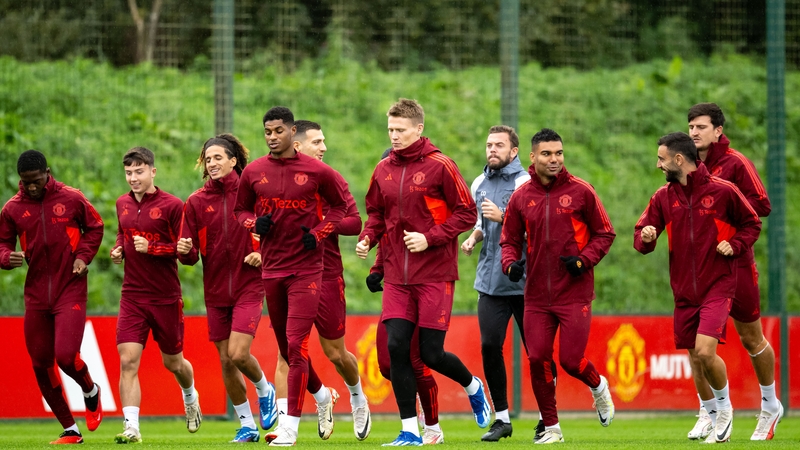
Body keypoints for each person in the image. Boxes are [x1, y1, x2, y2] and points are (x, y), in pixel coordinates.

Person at [356, 98, 490, 446]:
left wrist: (429, 239)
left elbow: (465, 213)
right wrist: (368, 239)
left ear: (419, 129)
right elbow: (376, 214)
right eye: (391, 130)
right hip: (398, 280)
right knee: (398, 347)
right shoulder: (382, 168)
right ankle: (410, 431)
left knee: (431, 354)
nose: (395, 136)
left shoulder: (441, 166)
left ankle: (472, 385)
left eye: (401, 130)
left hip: (434, 274)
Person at [634, 131, 762, 443]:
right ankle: (709, 413)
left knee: (705, 352)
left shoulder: (723, 191)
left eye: (662, 159)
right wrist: (646, 237)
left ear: (679, 159)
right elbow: (640, 235)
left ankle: (725, 410)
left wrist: (735, 244)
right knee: (694, 356)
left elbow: (752, 223)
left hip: (718, 285)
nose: (658, 165)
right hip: (683, 292)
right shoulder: (663, 197)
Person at [234, 106, 348, 446]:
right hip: (272, 270)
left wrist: (321, 231)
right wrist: (255, 224)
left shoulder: (316, 171)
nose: (272, 137)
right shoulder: (253, 172)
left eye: (278, 131)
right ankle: (323, 397)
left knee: (296, 346)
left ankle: (289, 429)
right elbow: (240, 210)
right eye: (267, 132)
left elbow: (341, 208)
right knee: (286, 346)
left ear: (292, 132)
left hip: (307, 271)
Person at [500, 128, 616, 444]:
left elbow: (604, 234)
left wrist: (583, 260)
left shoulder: (582, 191)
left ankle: (597, 386)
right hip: (536, 296)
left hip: (574, 292)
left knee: (569, 361)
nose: (555, 159)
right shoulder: (521, 198)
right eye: (548, 154)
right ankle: (551, 428)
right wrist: (509, 264)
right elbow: (508, 240)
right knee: (537, 358)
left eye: (559, 153)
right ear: (533, 157)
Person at [270, 120, 372, 441]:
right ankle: (290, 421)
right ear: (297, 146)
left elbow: (355, 222)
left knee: (335, 353)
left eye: (323, 141)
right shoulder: (273, 180)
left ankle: (356, 396)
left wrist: (321, 225)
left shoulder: (330, 179)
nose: (324, 147)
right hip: (286, 273)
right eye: (317, 142)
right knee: (287, 351)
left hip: (326, 276)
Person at [685, 103, 781, 441]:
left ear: (718, 131)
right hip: (699, 270)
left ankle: (770, 404)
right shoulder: (686, 163)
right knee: (696, 345)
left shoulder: (735, 163)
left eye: (701, 126)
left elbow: (763, 205)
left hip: (736, 264)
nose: (694, 132)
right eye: (691, 127)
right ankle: (709, 410)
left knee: (750, 337)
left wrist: (726, 217)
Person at [177, 134, 278, 443]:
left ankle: (265, 390)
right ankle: (246, 424)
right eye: (208, 159)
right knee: (225, 360)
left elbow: (278, 235)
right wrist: (183, 250)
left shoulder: (255, 195)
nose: (212, 163)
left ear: (234, 161)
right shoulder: (195, 202)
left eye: (218, 158)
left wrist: (261, 253)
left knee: (237, 353)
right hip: (216, 292)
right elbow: (191, 257)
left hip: (249, 286)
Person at [0, 150, 104, 444]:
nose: (31, 187)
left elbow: (95, 227)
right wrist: (7, 257)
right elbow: (2, 242)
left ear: (47, 172)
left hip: (69, 286)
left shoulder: (72, 198)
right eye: (25, 182)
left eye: (35, 181)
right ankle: (71, 429)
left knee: (66, 356)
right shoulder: (12, 209)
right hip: (36, 294)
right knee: (40, 362)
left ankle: (91, 390)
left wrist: (83, 256)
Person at [461, 125, 552, 442]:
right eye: (488, 145)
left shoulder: (527, 183)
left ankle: (546, 419)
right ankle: (501, 419)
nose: (492, 150)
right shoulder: (479, 182)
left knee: (537, 354)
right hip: (491, 281)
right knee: (489, 347)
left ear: (514, 152)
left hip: (527, 282)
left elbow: (542, 231)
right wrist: (474, 237)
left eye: (499, 145)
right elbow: (480, 223)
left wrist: (505, 218)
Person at [111, 147, 201, 444]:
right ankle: (131, 426)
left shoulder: (174, 206)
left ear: (153, 171)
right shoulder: (122, 203)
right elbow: (122, 234)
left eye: (139, 172)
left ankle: (189, 396)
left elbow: (187, 253)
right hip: (132, 297)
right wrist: (119, 249)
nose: (133, 178)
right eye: (128, 173)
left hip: (165, 297)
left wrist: (154, 248)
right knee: (128, 361)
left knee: (174, 363)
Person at [368, 147, 445, 446]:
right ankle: (414, 425)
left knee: (418, 359)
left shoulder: (420, 205)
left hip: (424, 286)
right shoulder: (386, 206)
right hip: (396, 289)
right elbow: (384, 243)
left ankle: (430, 426)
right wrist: (376, 270)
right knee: (388, 363)